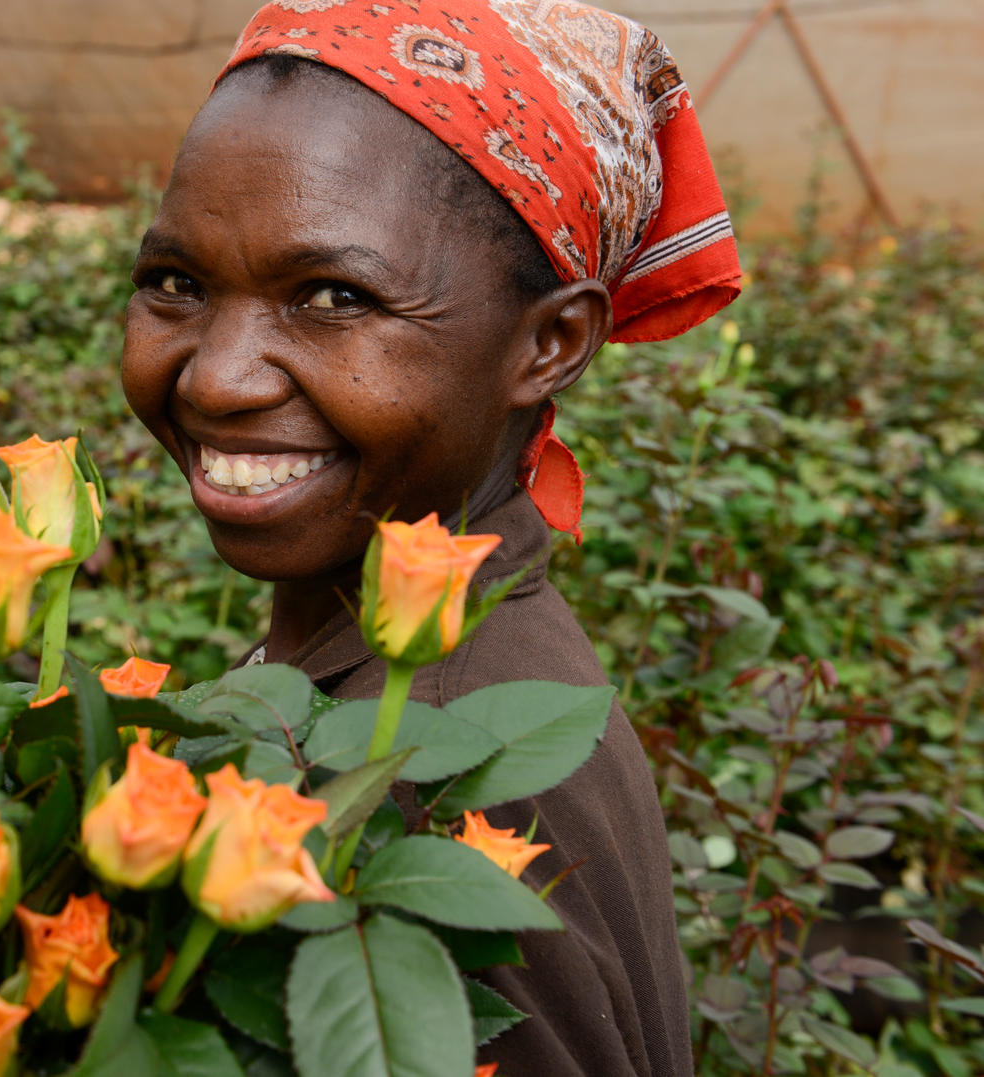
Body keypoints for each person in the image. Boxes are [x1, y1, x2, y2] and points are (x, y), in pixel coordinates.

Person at [121, 2, 742, 1073]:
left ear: (547, 344)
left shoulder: (433, 773)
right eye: (176, 284)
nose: (217, 377)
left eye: (331, 297)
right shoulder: (439, 673)